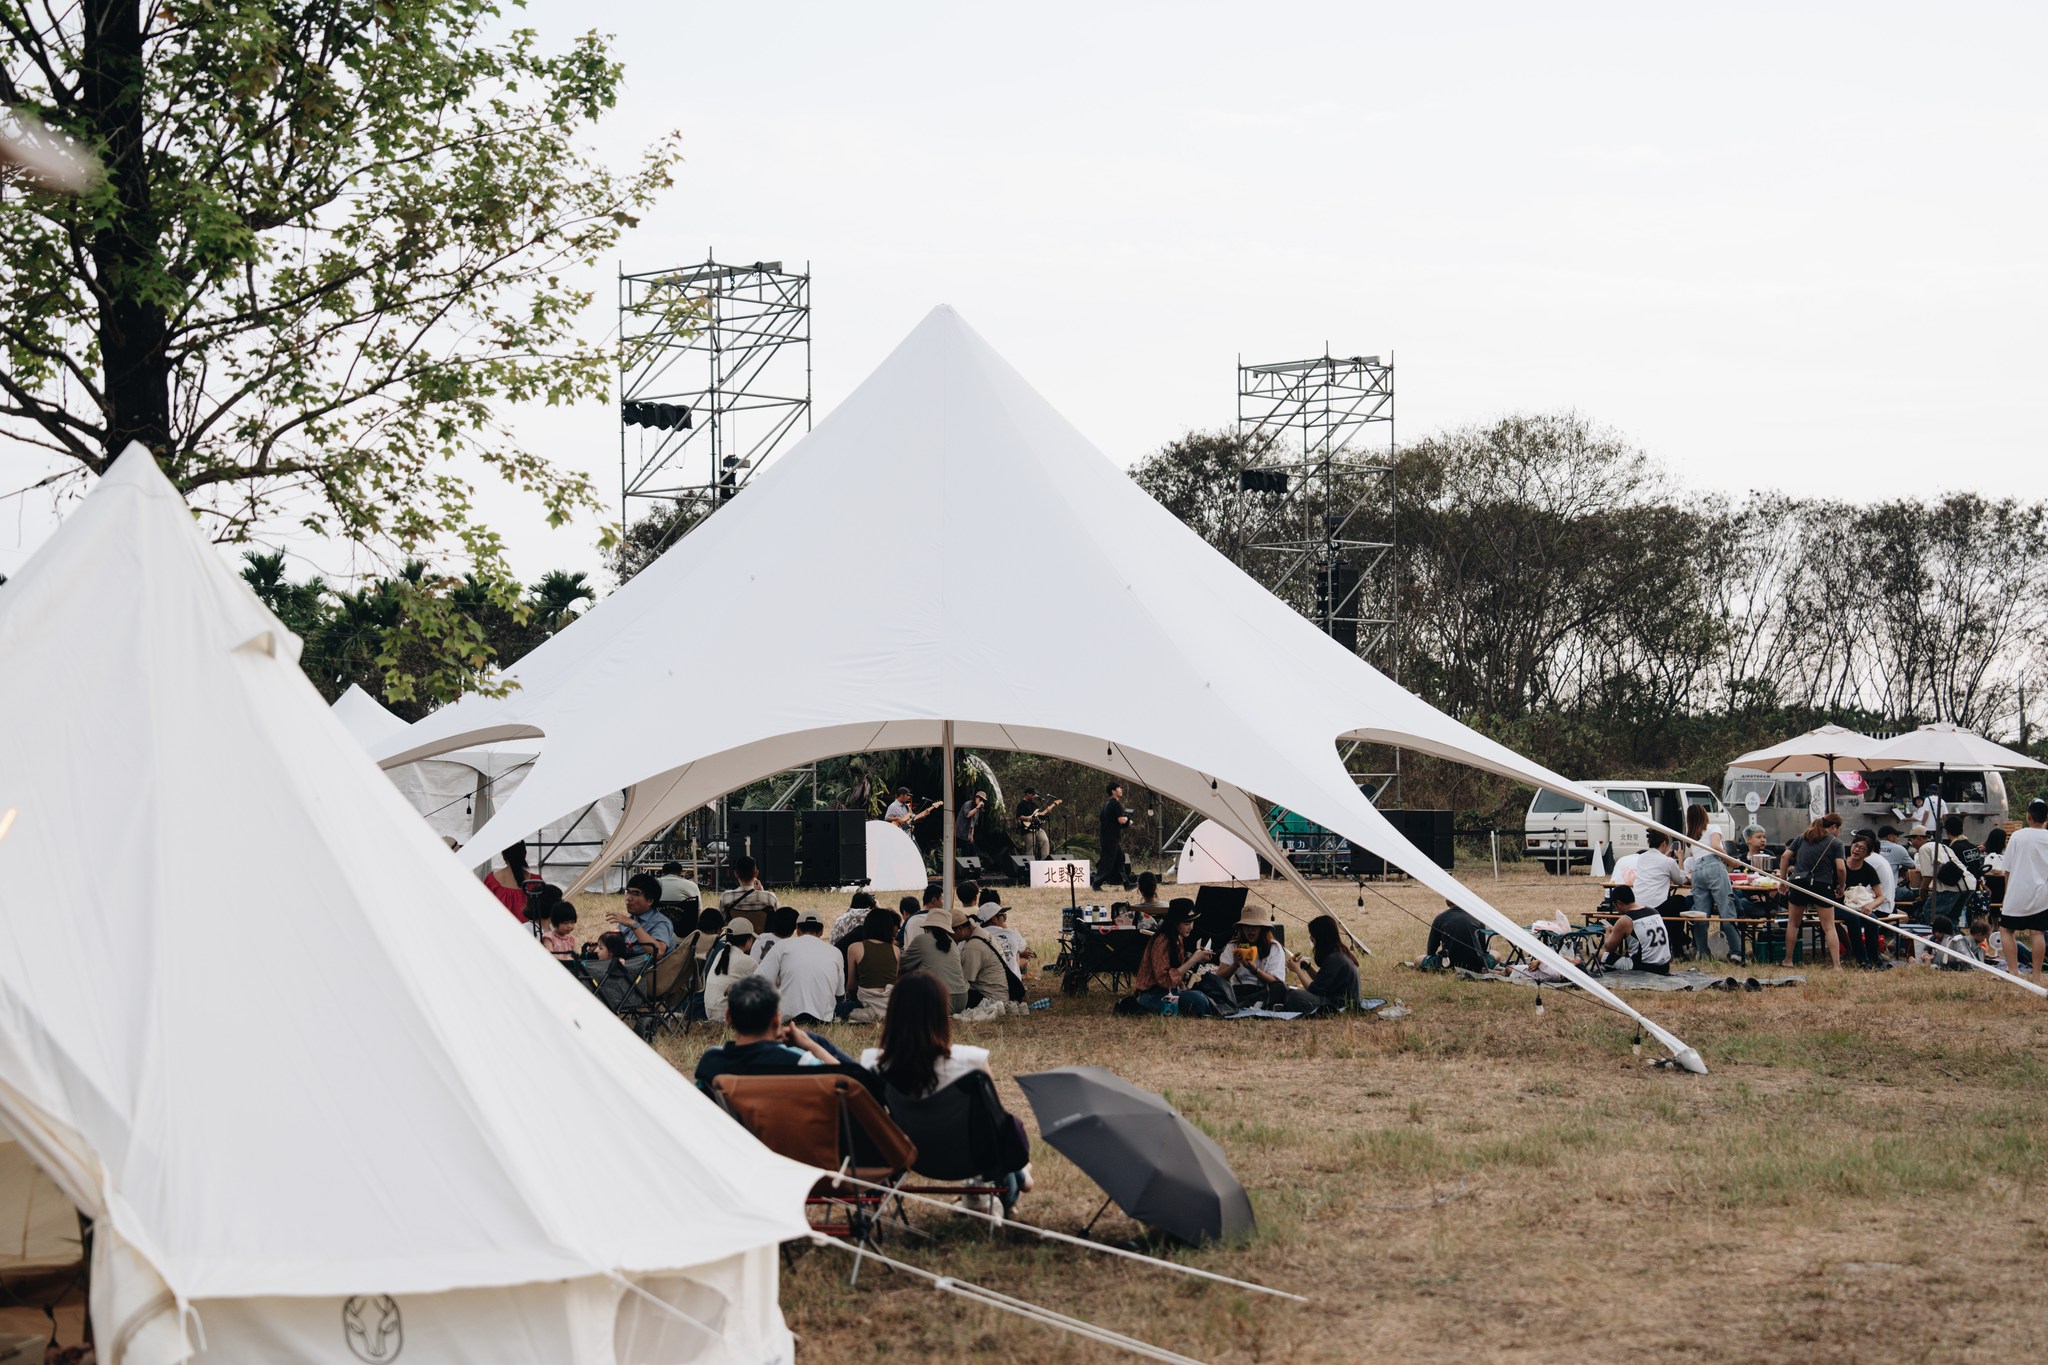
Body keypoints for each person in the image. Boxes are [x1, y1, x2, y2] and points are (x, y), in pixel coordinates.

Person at [859, 973, 1033, 1215]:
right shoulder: (972, 1061)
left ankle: (1015, 1178)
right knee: (1009, 1140)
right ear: (942, 1015)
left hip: (912, 1157)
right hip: (973, 1157)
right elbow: (995, 1121)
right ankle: (1018, 1177)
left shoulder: (874, 1064)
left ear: (894, 1014)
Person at [693, 977, 858, 1090]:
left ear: (728, 1017)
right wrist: (812, 1045)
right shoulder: (799, 1061)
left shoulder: (711, 1062)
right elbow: (851, 1085)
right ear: (777, 1020)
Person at [1197, 907, 1319, 1013]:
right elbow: (1220, 977)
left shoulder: (1274, 947)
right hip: (1239, 989)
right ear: (1241, 928)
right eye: (1247, 927)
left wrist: (1254, 970)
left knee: (1280, 989)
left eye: (1254, 927)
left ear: (1262, 928)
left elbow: (1275, 981)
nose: (1250, 930)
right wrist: (1235, 965)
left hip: (1264, 989)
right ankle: (1251, 1004)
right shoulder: (1233, 946)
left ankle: (1244, 1004)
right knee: (1216, 986)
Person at [1131, 901, 1220, 1015]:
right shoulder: (1162, 941)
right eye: (1187, 924)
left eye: (1192, 922)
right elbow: (1165, 980)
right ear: (1175, 923)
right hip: (1153, 996)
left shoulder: (1176, 937)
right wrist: (1193, 959)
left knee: (1205, 994)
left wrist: (1196, 960)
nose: (1191, 927)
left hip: (1169, 992)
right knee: (1199, 1000)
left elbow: (1177, 970)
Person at [1683, 803, 1745, 964]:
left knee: (1701, 913)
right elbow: (1716, 846)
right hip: (1713, 867)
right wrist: (1732, 861)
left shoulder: (1691, 836)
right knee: (1726, 908)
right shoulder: (1713, 828)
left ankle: (1703, 953)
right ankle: (1736, 952)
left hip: (1697, 871)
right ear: (1705, 815)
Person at [1781, 818, 1846, 969]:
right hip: (1821, 885)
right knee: (1829, 926)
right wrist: (1841, 886)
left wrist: (1783, 880)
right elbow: (1841, 868)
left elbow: (1785, 857)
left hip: (1798, 882)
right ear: (1834, 827)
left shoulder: (1801, 838)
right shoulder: (1835, 843)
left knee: (1793, 923)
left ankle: (1788, 960)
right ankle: (1836, 965)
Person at [1995, 797, 2048, 979]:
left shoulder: (2018, 836)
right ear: (2046, 819)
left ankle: (2014, 971)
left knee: (2006, 930)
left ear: (2028, 817)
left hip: (2018, 890)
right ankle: (2036, 975)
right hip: (2042, 893)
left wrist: (2006, 892)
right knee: (2037, 932)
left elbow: (2007, 868)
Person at [760, 909, 844, 1025]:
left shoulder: (782, 946)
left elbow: (759, 981)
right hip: (824, 1018)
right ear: (821, 932)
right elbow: (840, 995)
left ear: (798, 930)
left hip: (788, 1018)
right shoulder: (836, 952)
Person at [1912, 813, 1980, 923]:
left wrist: (1922, 893)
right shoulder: (1941, 845)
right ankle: (1954, 939)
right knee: (1952, 919)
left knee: (1930, 913)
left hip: (1954, 887)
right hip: (1969, 884)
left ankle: (1933, 939)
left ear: (1919, 838)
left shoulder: (1924, 849)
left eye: (1912, 840)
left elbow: (1928, 876)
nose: (1911, 843)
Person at [900, 906, 970, 1013]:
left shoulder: (921, 940)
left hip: (941, 1000)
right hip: (962, 998)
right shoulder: (952, 943)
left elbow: (903, 965)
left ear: (927, 927)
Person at [1840, 834, 1894, 969]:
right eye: (1855, 846)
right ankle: (1861, 959)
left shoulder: (1869, 869)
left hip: (1857, 905)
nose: (1857, 850)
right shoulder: (1840, 866)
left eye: (1862, 849)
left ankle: (1874, 958)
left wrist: (1871, 906)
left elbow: (1881, 896)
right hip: (1838, 905)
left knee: (1872, 920)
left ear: (1868, 853)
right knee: (1854, 919)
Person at [1592, 885, 1672, 975]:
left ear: (1619, 903)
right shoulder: (1654, 912)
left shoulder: (1626, 920)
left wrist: (1608, 932)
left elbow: (1609, 948)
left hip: (1644, 967)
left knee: (1598, 954)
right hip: (1664, 966)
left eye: (1615, 906)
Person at [1291, 914, 1361, 1012]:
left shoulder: (1335, 959)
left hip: (1338, 1005)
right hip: (1340, 1001)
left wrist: (1297, 970)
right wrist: (1307, 967)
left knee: (1295, 995)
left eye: (1312, 936)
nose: (1311, 939)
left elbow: (1314, 989)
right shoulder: (1339, 954)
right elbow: (1322, 982)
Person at [844, 908, 901, 1021]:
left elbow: (851, 987)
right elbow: (894, 981)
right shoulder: (896, 950)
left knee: (837, 1009)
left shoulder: (854, 948)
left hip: (865, 1003)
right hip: (889, 1006)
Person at [701, 916, 759, 1023]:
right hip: (725, 1013)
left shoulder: (721, 953)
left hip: (709, 1011)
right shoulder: (748, 961)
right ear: (748, 940)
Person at [605, 873, 677, 959]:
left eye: (635, 893)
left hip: (647, 971)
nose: (628, 898)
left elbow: (658, 952)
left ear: (650, 901)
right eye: (628, 892)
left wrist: (634, 925)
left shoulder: (660, 922)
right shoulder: (628, 920)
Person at [957, 909, 1013, 1010]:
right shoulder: (982, 933)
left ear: (959, 929)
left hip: (991, 1000)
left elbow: (964, 982)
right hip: (1000, 995)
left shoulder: (972, 947)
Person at [975, 892, 1034, 977]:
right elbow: (1023, 948)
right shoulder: (1011, 933)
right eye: (1003, 916)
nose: (1004, 919)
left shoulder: (975, 936)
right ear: (994, 919)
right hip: (1014, 986)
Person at [718, 854, 779, 934]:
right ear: (756, 873)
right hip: (762, 945)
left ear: (736, 874)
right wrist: (762, 892)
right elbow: (780, 922)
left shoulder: (725, 897)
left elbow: (720, 925)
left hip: (735, 943)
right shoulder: (770, 898)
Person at [1423, 900, 1489, 973]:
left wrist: (1431, 958)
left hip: (1446, 963)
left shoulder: (1440, 918)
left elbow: (1432, 947)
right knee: (1496, 954)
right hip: (1476, 965)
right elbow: (1483, 948)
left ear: (1448, 903)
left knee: (1418, 959)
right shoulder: (1478, 918)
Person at [483, 841, 531, 922]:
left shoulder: (490, 881)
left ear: (504, 856)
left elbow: (483, 909)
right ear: (525, 854)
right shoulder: (536, 882)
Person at [1097, 782, 1131, 888]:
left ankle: (1126, 883)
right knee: (1107, 862)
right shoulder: (1115, 804)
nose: (1121, 789)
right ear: (1113, 791)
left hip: (1108, 837)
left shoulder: (1107, 804)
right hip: (1110, 838)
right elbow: (1121, 820)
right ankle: (1096, 884)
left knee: (1120, 859)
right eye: (1119, 788)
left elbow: (1110, 821)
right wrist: (1128, 819)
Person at [1016, 787, 1058, 861]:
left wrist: (1047, 810)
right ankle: (1029, 864)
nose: (1034, 796)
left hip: (1037, 828)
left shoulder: (1034, 804)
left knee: (1045, 840)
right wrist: (1028, 818)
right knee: (1030, 846)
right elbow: (1019, 817)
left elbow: (1038, 814)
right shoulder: (1021, 804)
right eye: (1032, 794)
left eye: (1035, 794)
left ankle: (1045, 860)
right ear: (1027, 794)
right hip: (1027, 829)